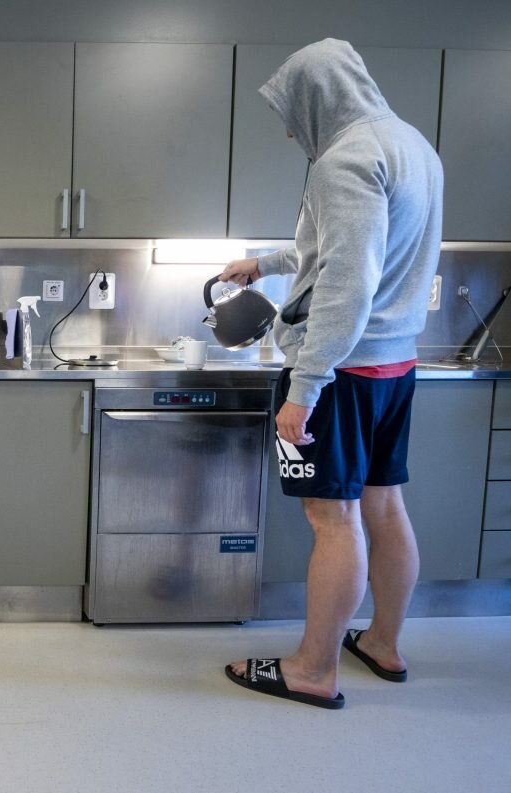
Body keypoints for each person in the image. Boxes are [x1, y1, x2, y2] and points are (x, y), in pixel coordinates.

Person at [221, 38, 443, 710]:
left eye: (293, 111)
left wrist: (304, 388)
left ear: (319, 98)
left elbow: (347, 279)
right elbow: (344, 244)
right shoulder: (411, 146)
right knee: (382, 504)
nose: (290, 129)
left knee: (333, 519)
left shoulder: (341, 159)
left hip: (342, 373)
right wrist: (265, 262)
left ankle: (314, 668)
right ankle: (382, 641)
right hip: (393, 365)